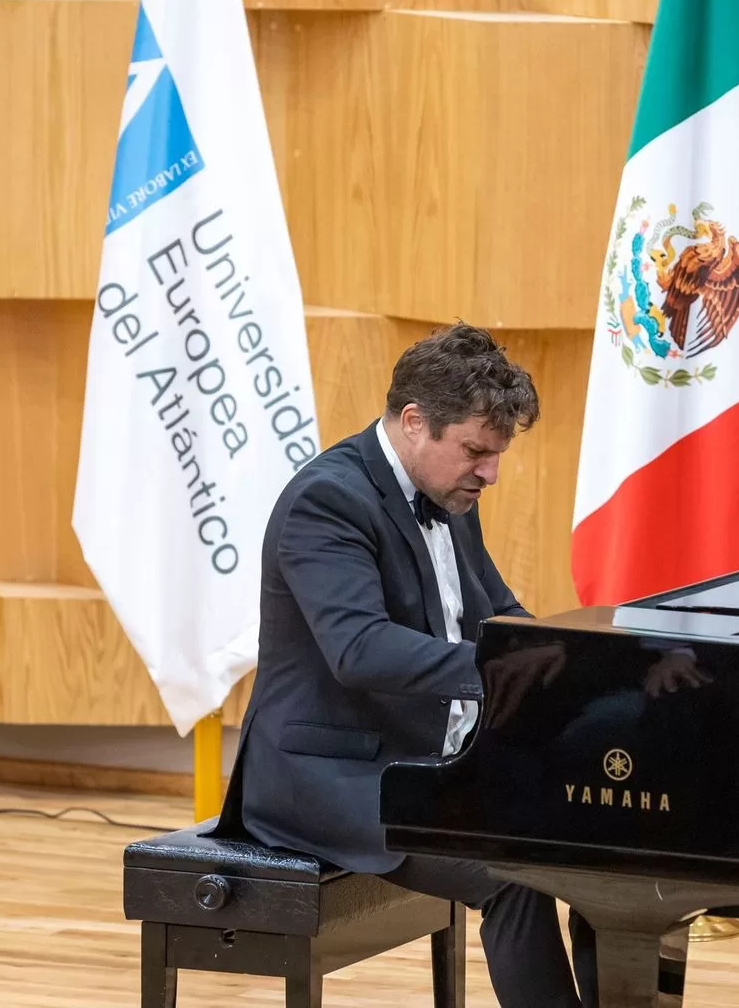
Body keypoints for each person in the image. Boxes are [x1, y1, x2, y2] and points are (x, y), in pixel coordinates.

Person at [213, 322, 596, 1007]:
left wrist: (578, 662)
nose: (491, 473)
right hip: (331, 776)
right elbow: (360, 650)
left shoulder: (448, 490)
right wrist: (503, 674)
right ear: (415, 421)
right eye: (477, 451)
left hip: (427, 757)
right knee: (514, 877)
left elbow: (496, 610)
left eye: (497, 455)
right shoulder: (327, 501)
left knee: (606, 850)